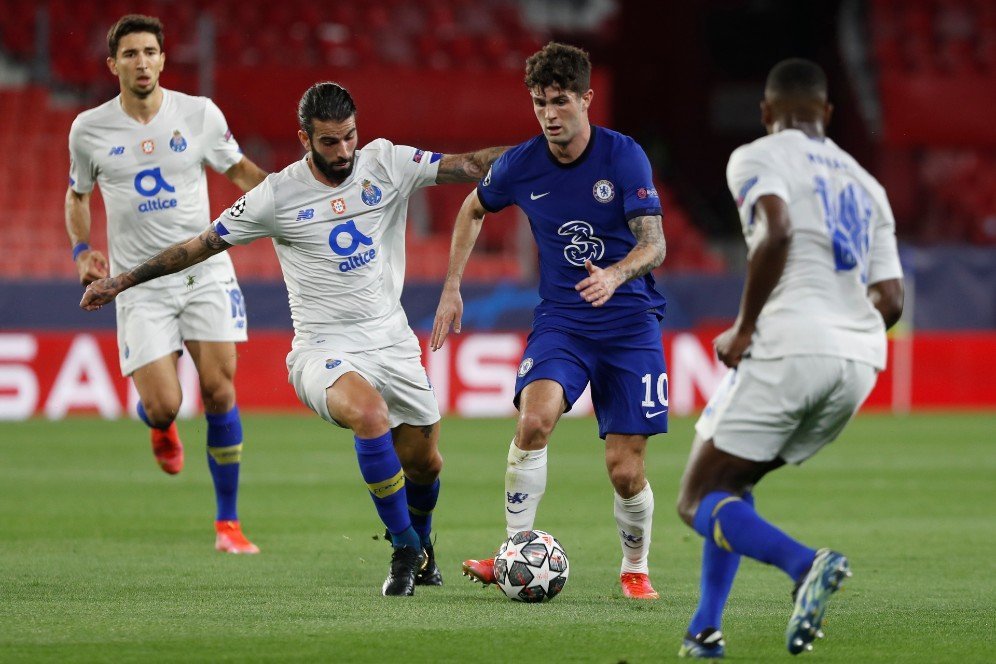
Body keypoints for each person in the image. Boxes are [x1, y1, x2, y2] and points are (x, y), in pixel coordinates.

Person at [81, 81, 507, 596]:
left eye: (350, 136)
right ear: (304, 138)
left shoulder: (387, 162)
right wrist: (122, 280)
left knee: (424, 462)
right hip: (322, 348)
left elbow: (471, 164)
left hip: (392, 341)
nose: (344, 151)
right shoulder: (276, 196)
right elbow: (201, 245)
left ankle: (423, 542)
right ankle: (404, 549)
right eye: (329, 142)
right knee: (370, 417)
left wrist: (547, 153)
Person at [674, 58, 905, 658]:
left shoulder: (758, 154)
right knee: (733, 478)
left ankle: (806, 566)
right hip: (861, 359)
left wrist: (746, 328)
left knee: (696, 498)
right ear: (827, 113)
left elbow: (775, 230)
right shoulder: (868, 184)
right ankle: (704, 630)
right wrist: (842, 328)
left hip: (792, 342)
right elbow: (893, 298)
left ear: (767, 112)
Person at [430, 42, 668, 600]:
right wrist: (451, 284)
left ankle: (635, 567)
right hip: (563, 321)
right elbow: (472, 207)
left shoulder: (623, 156)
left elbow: (654, 244)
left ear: (586, 99)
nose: (549, 114)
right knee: (533, 421)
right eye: (539, 103)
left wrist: (613, 275)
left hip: (630, 324)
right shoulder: (520, 164)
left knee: (624, 469)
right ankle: (514, 553)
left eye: (560, 101)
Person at [65, 15, 268, 554]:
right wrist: (84, 252)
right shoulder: (89, 129)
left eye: (149, 51)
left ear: (162, 58)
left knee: (220, 389)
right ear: (114, 65)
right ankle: (157, 424)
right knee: (165, 405)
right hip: (139, 284)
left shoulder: (199, 114)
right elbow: (78, 196)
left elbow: (240, 170)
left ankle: (228, 524)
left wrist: (292, 203)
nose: (141, 62)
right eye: (129, 54)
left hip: (206, 271)